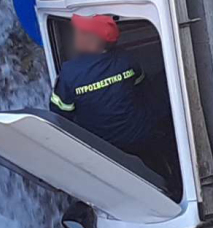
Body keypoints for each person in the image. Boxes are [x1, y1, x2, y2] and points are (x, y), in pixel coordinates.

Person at [49, 15, 170, 160]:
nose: (76, 34)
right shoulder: (126, 59)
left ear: (93, 41)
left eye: (81, 32)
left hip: (105, 149)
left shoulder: (70, 73)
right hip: (141, 136)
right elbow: (142, 88)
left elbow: (59, 113)